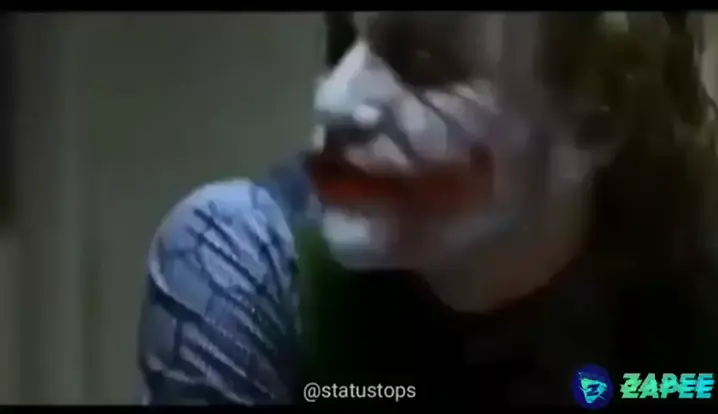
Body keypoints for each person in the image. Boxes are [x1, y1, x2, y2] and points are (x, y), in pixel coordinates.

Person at [136, 12, 718, 406]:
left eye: (422, 59)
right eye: (341, 41)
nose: (335, 99)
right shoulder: (247, 258)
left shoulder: (688, 295)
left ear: (596, 117)